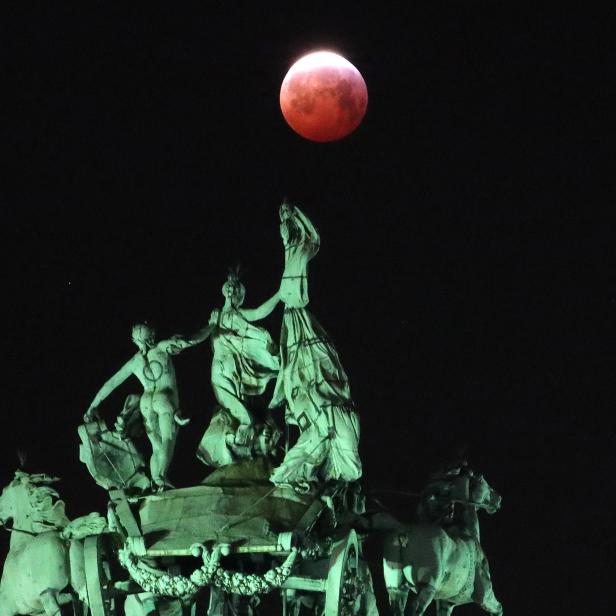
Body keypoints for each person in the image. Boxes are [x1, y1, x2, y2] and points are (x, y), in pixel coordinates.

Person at [269, 203, 362, 486]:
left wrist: (295, 213)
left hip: (295, 308)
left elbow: (315, 239)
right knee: (293, 359)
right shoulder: (289, 250)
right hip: (289, 309)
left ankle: (304, 476)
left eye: (287, 228)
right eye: (281, 227)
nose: (284, 231)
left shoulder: (301, 248)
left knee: (305, 357)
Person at [84, 323, 193, 490]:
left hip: (146, 401)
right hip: (164, 400)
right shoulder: (163, 347)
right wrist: (211, 326)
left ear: (135, 340)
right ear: (152, 335)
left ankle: (156, 480)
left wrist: (92, 406)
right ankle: (161, 477)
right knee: (168, 440)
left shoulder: (135, 361)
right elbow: (189, 341)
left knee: (156, 448)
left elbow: (111, 383)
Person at [190, 271, 281, 452]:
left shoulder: (227, 315)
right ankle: (243, 437)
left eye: (234, 290)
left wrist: (280, 294)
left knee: (231, 403)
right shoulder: (224, 315)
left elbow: (260, 312)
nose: (232, 293)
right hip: (230, 367)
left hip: (225, 366)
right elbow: (260, 312)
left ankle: (245, 430)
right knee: (233, 404)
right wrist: (280, 294)